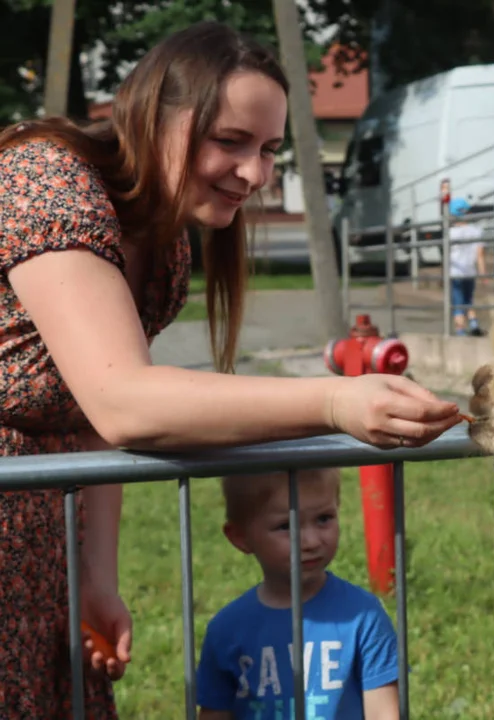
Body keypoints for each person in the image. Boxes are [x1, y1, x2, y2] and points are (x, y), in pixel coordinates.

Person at [0, 22, 459, 718]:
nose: (256, 174)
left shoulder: (166, 243)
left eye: (270, 149)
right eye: (230, 141)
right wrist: (333, 403)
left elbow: (87, 422)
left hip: (41, 543)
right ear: (156, 114)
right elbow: (123, 400)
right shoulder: (47, 180)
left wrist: (95, 579)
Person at [196, 468, 398, 719]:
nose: (311, 541)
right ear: (240, 537)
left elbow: (384, 713)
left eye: (324, 518)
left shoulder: (364, 616)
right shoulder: (226, 629)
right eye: (286, 525)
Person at [447, 197, 488, 336]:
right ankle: (474, 323)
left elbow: (447, 256)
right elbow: (480, 255)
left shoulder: (450, 233)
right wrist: (483, 274)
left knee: (457, 303)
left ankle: (460, 330)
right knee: (469, 299)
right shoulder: (476, 231)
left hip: (455, 271)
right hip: (470, 271)